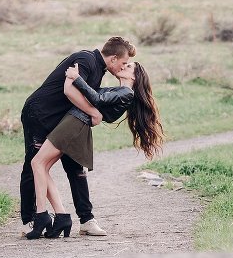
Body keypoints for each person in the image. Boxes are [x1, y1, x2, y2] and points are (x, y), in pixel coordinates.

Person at [26, 61, 164, 239]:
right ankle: (60, 217)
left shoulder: (126, 93)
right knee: (41, 167)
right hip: (73, 122)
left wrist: (76, 78)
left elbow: (96, 99)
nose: (123, 67)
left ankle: (42, 215)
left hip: (74, 124)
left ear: (134, 77)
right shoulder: (118, 90)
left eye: (128, 67)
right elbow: (90, 98)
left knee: (37, 163)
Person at [20, 37, 136, 236]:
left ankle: (84, 219)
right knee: (34, 165)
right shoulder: (86, 59)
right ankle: (30, 220)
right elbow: (69, 90)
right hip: (40, 114)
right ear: (114, 58)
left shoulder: (99, 70)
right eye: (124, 63)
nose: (124, 66)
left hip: (63, 120)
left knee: (75, 168)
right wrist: (94, 112)